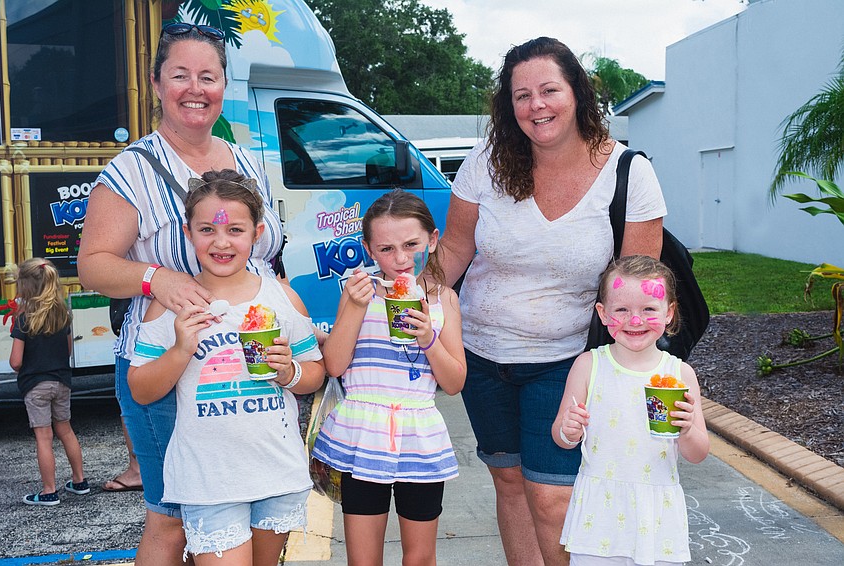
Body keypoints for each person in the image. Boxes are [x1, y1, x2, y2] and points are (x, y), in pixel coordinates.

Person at [439, 37, 667, 565]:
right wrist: (400, 294)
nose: (536, 105)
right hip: (482, 357)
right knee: (509, 482)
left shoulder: (628, 172)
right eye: (521, 96)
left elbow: (641, 285)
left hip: (566, 361)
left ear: (577, 93)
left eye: (549, 90)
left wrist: (639, 369)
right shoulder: (485, 163)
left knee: (553, 496)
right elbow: (453, 249)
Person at [76, 22, 283, 565]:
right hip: (166, 365)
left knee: (234, 508)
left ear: (224, 85)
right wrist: (158, 278)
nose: (196, 89)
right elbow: (93, 265)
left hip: (244, 366)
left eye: (208, 76)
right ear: (156, 83)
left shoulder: (246, 161)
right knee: (172, 517)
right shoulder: (131, 169)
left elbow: (263, 254)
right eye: (180, 75)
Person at [127, 169, 324, 564]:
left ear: (257, 233)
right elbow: (141, 390)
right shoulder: (172, 305)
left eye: (235, 230)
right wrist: (181, 349)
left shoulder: (282, 298)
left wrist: (290, 373)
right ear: (188, 232)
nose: (221, 242)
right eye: (207, 230)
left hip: (277, 471)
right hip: (208, 479)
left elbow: (314, 372)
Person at [312, 189, 466, 566]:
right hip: (362, 435)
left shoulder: (443, 300)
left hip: (419, 437)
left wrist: (428, 339)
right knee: (363, 559)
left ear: (432, 240)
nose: (400, 259)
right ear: (368, 249)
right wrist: (355, 307)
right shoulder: (358, 293)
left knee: (420, 557)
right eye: (386, 249)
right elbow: (334, 365)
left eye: (411, 245)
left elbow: (454, 382)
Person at [553, 255, 709, 564]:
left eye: (648, 309)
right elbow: (561, 435)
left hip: (657, 516)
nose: (635, 321)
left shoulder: (680, 374)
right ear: (603, 313)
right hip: (599, 515)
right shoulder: (588, 366)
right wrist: (569, 430)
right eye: (622, 310)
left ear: (669, 313)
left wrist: (687, 429)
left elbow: (698, 453)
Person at [10, 258, 89, 506]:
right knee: (66, 430)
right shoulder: (63, 314)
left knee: (44, 437)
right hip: (62, 382)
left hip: (35, 385)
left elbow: (15, 361)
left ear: (26, 286)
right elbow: (67, 351)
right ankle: (79, 481)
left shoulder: (24, 319)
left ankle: (49, 491)